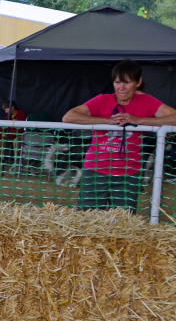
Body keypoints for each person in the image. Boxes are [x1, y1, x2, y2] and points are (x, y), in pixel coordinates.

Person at [63, 59, 176, 211]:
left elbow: (173, 117)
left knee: (124, 221)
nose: (121, 88)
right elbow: (68, 117)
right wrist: (106, 121)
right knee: (88, 217)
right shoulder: (102, 99)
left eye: (127, 82)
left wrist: (139, 120)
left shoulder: (147, 101)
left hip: (129, 172)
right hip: (96, 169)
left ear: (138, 82)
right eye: (117, 82)